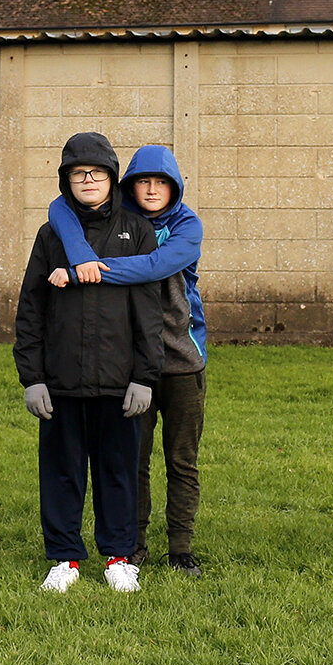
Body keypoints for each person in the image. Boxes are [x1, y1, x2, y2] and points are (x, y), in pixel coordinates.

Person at [48, 144, 208, 575]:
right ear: (128, 186)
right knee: (131, 459)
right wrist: (79, 257)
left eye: (162, 182)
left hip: (182, 360)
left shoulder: (187, 225)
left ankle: (181, 548)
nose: (152, 189)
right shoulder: (124, 222)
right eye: (143, 181)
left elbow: (154, 266)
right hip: (134, 360)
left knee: (181, 459)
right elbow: (58, 207)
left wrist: (86, 266)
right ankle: (132, 546)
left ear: (176, 188)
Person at [14, 132, 163, 593]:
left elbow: (149, 310)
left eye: (98, 173)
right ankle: (64, 559)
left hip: (119, 381)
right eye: (79, 173)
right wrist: (32, 378)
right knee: (62, 471)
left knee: (118, 471)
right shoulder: (50, 234)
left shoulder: (134, 230)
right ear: (67, 180)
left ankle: (119, 557)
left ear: (112, 179)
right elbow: (30, 310)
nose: (89, 180)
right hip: (61, 381)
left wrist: (144, 375)